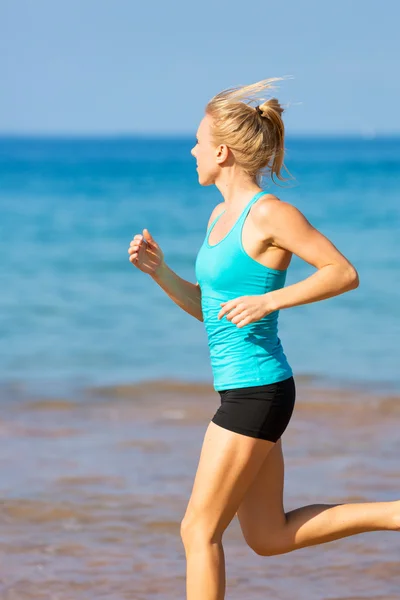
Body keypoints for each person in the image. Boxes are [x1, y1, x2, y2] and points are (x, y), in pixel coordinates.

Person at [128, 78, 399, 600]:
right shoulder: (218, 217)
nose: (192, 150)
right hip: (247, 388)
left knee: (197, 530)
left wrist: (272, 300)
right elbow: (214, 313)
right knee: (268, 537)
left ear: (222, 151)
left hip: (257, 392)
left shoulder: (270, 214)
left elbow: (342, 272)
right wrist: (161, 273)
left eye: (198, 141)